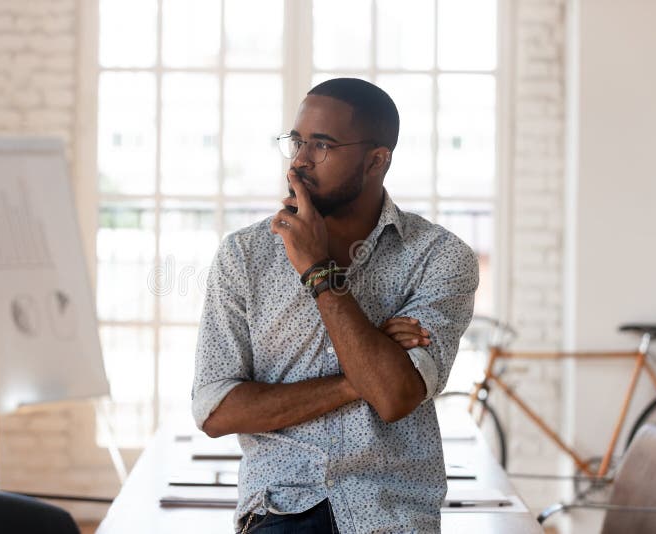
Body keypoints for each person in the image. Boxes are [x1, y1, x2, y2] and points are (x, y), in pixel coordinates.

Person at [192, 78, 479, 534]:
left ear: (376, 160)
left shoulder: (439, 258)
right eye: (297, 141)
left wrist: (319, 272)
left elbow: (394, 397)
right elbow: (216, 410)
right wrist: (358, 378)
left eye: (322, 145)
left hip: (392, 514)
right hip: (280, 510)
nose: (300, 160)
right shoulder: (245, 256)